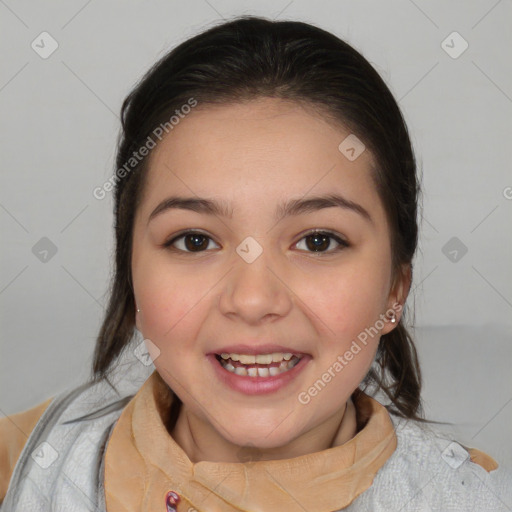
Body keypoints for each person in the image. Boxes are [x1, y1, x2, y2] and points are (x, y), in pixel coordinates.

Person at [1, 14, 510, 512]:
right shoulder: (18, 466)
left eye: (317, 242)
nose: (252, 300)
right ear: (131, 275)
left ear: (396, 289)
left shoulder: (471, 498)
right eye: (195, 241)